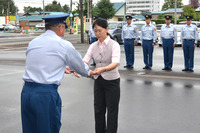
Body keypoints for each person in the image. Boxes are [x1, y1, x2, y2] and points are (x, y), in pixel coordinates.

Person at [21, 14, 93, 133]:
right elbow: (80, 67)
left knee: (30, 129)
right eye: (64, 28)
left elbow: (39, 62)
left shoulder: (33, 42)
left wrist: (61, 67)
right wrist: (91, 73)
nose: (64, 32)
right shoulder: (63, 44)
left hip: (26, 93)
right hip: (45, 94)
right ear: (60, 27)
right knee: (48, 129)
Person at [83, 18, 121, 133]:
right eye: (95, 31)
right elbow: (85, 60)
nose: (97, 34)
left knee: (112, 111)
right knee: (98, 110)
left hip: (112, 81)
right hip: (98, 80)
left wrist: (103, 69)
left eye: (100, 30)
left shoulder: (114, 45)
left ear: (107, 29)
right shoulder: (93, 45)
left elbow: (115, 62)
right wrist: (78, 68)